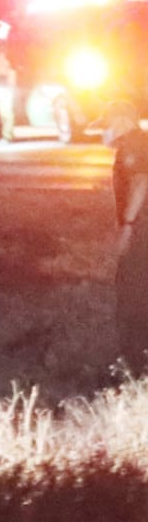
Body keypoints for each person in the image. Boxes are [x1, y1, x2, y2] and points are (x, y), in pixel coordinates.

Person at [107, 101, 148, 372]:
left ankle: (135, 364)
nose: (106, 130)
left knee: (131, 296)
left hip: (141, 233)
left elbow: (141, 180)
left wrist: (128, 227)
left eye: (109, 122)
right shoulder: (139, 141)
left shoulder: (132, 145)